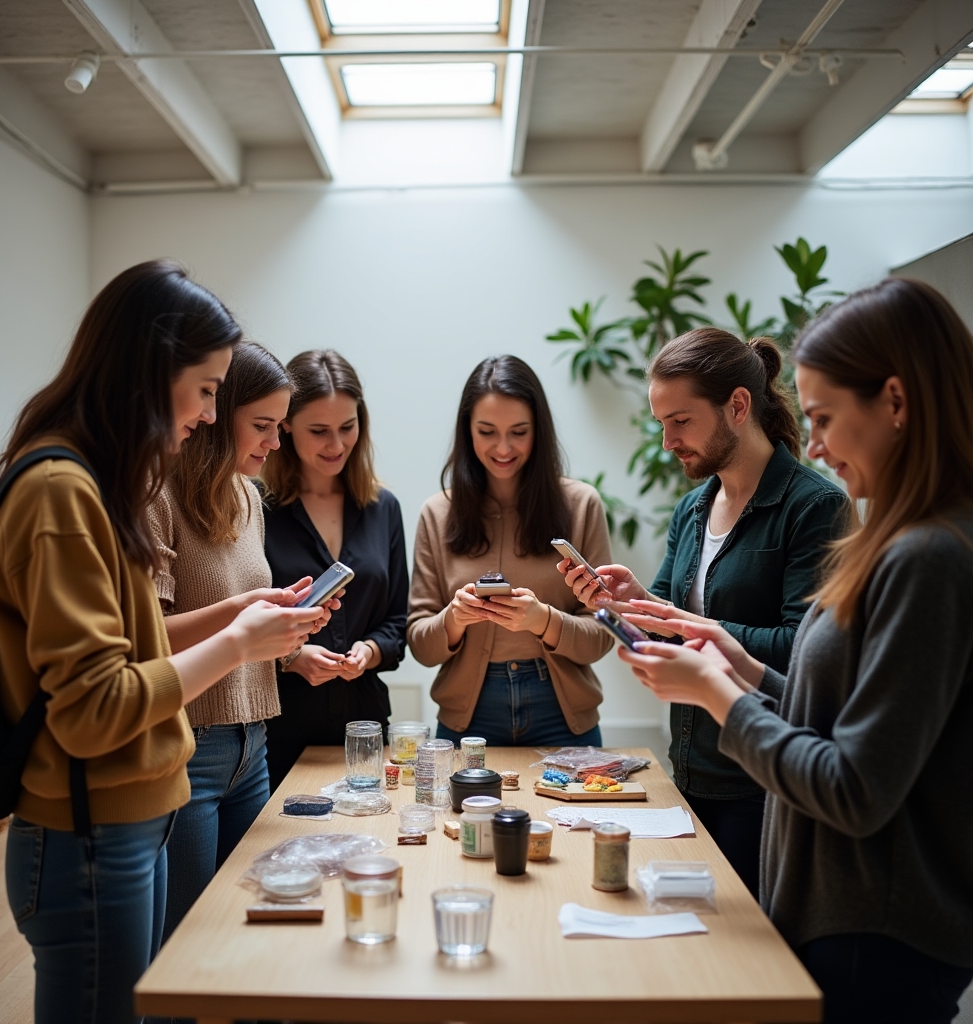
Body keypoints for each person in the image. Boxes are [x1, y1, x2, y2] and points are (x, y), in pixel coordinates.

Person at [620, 279, 973, 1024]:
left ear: (897, 404)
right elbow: (837, 714)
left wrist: (720, 691)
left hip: (875, 937)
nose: (810, 444)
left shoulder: (927, 557)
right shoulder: (900, 542)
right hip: (847, 921)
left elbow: (853, 785)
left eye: (822, 418)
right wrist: (732, 659)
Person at [0, 261, 325, 1024]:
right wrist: (240, 640)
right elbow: (95, 707)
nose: (210, 414)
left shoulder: (97, 486)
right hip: (87, 831)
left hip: (123, 818)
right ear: (151, 369)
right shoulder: (61, 492)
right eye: (206, 389)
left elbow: (130, 646)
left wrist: (241, 616)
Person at [559, 329, 848, 896]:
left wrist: (700, 630)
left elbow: (804, 653)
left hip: (761, 785)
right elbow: (661, 624)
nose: (667, 441)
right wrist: (624, 602)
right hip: (689, 770)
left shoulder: (814, 507)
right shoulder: (693, 508)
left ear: (738, 406)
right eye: (661, 422)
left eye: (680, 421)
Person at [146, 342, 332, 946]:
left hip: (255, 739)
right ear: (214, 414)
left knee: (245, 931)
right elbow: (146, 642)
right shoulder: (157, 496)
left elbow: (243, 635)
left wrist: (289, 631)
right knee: (188, 944)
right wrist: (242, 616)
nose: (276, 444)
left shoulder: (249, 497)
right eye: (263, 426)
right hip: (189, 747)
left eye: (280, 427)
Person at [408, 355, 613, 746]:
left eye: (519, 431)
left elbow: (602, 636)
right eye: (487, 431)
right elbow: (420, 644)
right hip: (468, 717)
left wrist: (542, 620)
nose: (503, 447)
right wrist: (454, 618)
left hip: (563, 714)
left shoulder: (581, 504)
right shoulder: (437, 513)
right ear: (467, 430)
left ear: (539, 430)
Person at [261, 350, 408, 788]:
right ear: (285, 425)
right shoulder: (255, 507)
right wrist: (289, 658)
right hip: (280, 727)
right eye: (319, 431)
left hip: (365, 725)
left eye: (348, 427)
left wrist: (371, 650)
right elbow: (237, 625)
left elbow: (398, 623)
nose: (337, 445)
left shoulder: (384, 508)